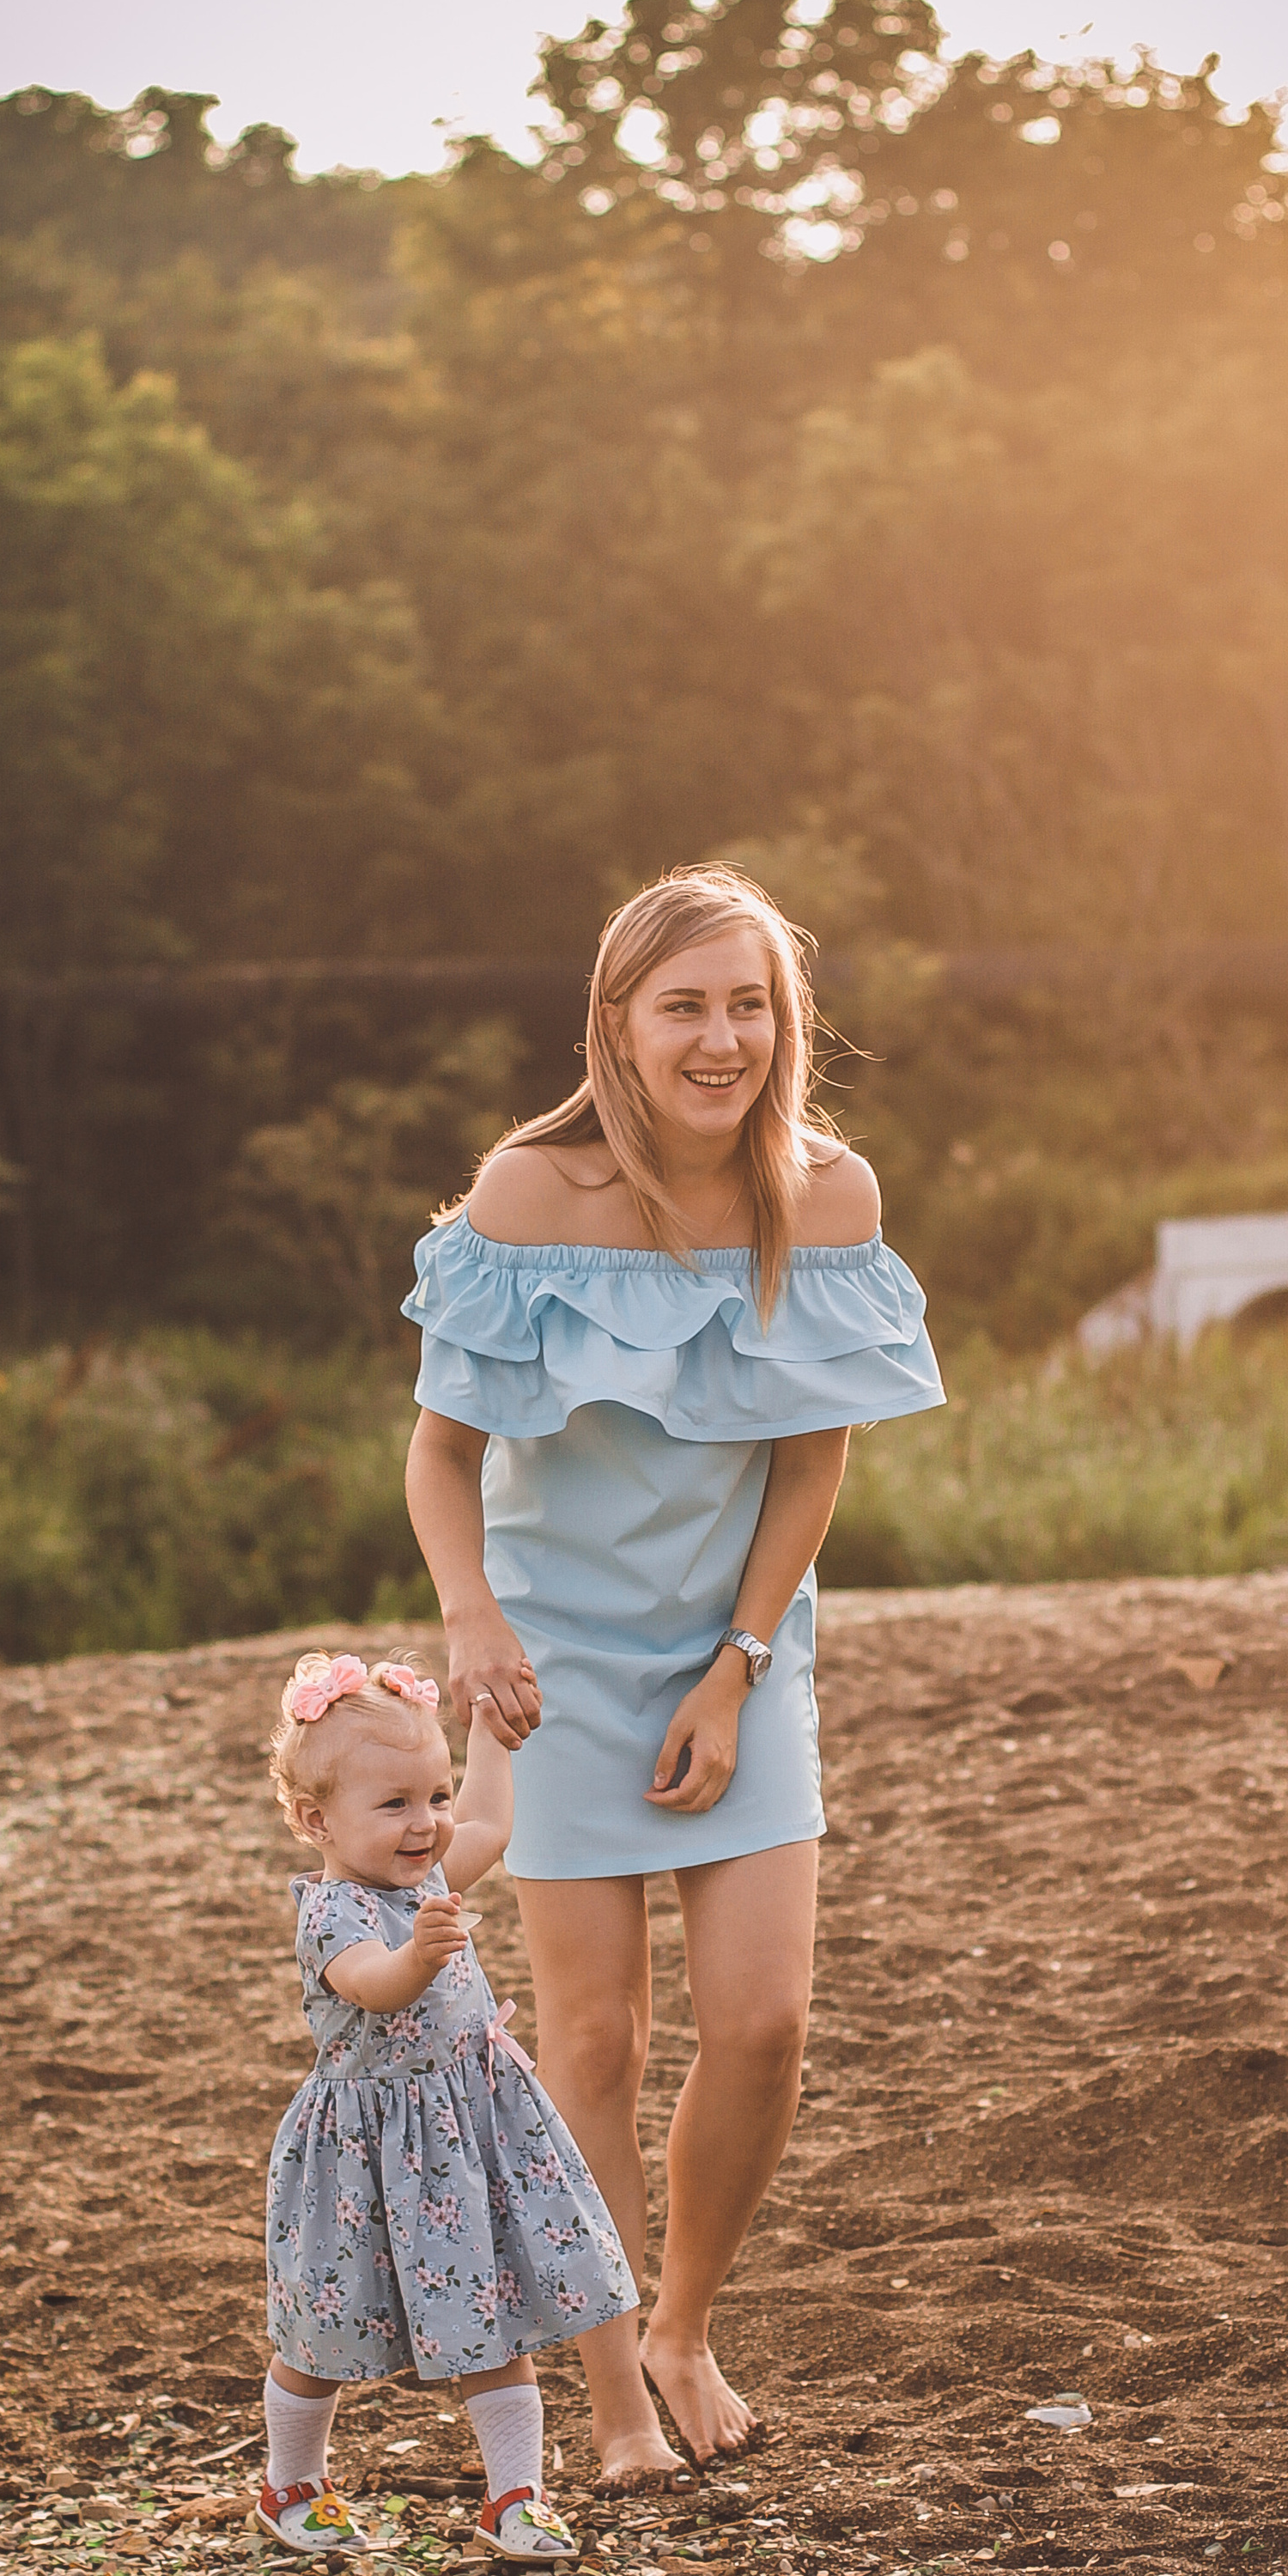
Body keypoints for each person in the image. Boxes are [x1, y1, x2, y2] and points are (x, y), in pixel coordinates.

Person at [403, 863, 944, 2485]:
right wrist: (473, 1621)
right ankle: (615, 2387)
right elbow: (440, 1460)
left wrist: (737, 1665)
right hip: (549, 1662)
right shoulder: (525, 1196)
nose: (723, 1039)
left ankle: (683, 2323)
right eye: (686, 1006)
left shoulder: (826, 1197)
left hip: (742, 1651)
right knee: (598, 2039)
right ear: (619, 1025)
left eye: (750, 1003)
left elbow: (809, 1461)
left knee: (766, 2019)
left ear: (786, 1022)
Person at [258, 1648, 637, 2562]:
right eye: (394, 1805)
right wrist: (422, 1958)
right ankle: (290, 2483)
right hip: (363, 2154)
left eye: (433, 1795)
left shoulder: (426, 1873)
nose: (427, 1823)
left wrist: (489, 1738)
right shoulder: (331, 1913)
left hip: (467, 2135)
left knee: (490, 2309)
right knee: (327, 2329)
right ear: (317, 1821)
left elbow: (493, 1822)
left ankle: (515, 2498)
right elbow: (375, 1988)